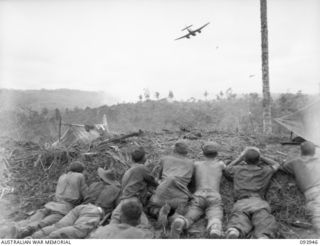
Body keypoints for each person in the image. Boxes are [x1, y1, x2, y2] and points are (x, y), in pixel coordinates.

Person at [31, 168, 121, 239]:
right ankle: (48, 239)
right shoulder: (116, 190)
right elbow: (117, 209)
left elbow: (84, 196)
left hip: (80, 207)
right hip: (94, 211)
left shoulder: (94, 185)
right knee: (77, 230)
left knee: (58, 226)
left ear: (101, 177)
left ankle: (33, 237)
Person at [9, 161, 88, 238]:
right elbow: (86, 194)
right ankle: (27, 229)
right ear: (81, 170)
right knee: (45, 223)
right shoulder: (80, 176)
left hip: (52, 204)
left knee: (37, 216)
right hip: (65, 208)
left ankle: (19, 225)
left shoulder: (62, 176)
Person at [170, 142, 225, 238]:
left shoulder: (197, 164)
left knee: (191, 214)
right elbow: (229, 170)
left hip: (199, 195)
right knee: (215, 214)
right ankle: (214, 226)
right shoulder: (220, 164)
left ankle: (183, 222)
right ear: (217, 154)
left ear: (203, 154)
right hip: (214, 195)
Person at [224, 147, 280, 239]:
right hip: (259, 203)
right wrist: (261, 156)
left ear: (245, 160)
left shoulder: (237, 169)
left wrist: (241, 157)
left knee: (239, 217)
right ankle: (263, 235)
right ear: (258, 160)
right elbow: (276, 164)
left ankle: (235, 230)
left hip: (241, 202)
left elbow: (227, 168)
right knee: (264, 219)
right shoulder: (265, 170)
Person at [149, 140, 194, 230]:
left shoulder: (165, 159)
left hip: (162, 194)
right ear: (186, 152)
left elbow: (158, 176)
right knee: (183, 209)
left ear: (174, 150)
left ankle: (159, 213)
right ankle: (176, 219)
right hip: (180, 198)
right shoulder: (191, 163)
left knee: (151, 206)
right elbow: (191, 182)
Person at [110, 146, 158, 227]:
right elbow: (154, 182)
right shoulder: (141, 168)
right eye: (145, 155)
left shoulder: (129, 170)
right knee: (144, 226)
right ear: (143, 158)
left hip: (123, 199)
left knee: (115, 220)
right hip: (133, 201)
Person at [281, 141, 320, 235]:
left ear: (301, 151)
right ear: (314, 152)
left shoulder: (295, 162)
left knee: (317, 216)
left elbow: (283, 167)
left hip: (312, 192)